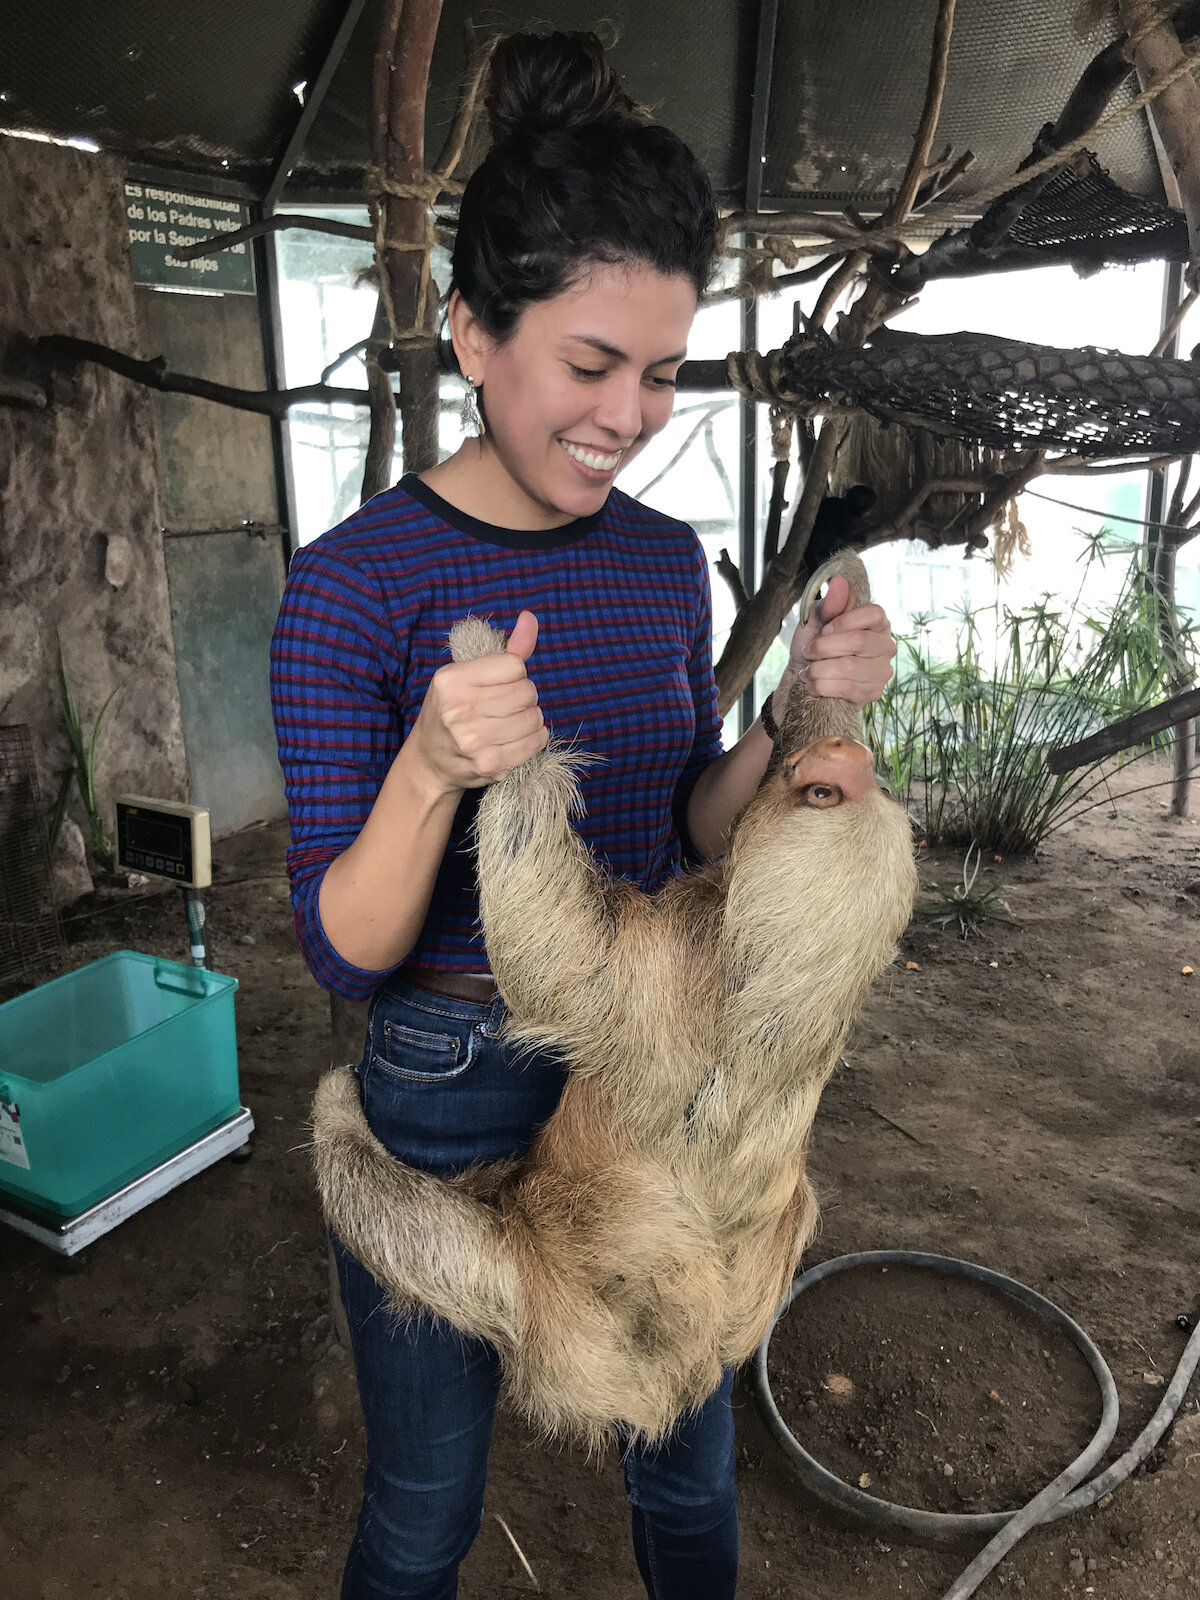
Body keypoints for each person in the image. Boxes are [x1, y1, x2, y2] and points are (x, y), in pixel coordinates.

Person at [269, 30, 896, 1600]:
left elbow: (691, 827)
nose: (633, 414)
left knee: (687, 1473)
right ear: (476, 335)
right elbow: (347, 953)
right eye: (590, 364)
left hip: (666, 1051)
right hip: (457, 1058)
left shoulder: (659, 560)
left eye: (667, 369)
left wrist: (801, 730)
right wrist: (432, 770)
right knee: (424, 1508)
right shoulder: (352, 587)